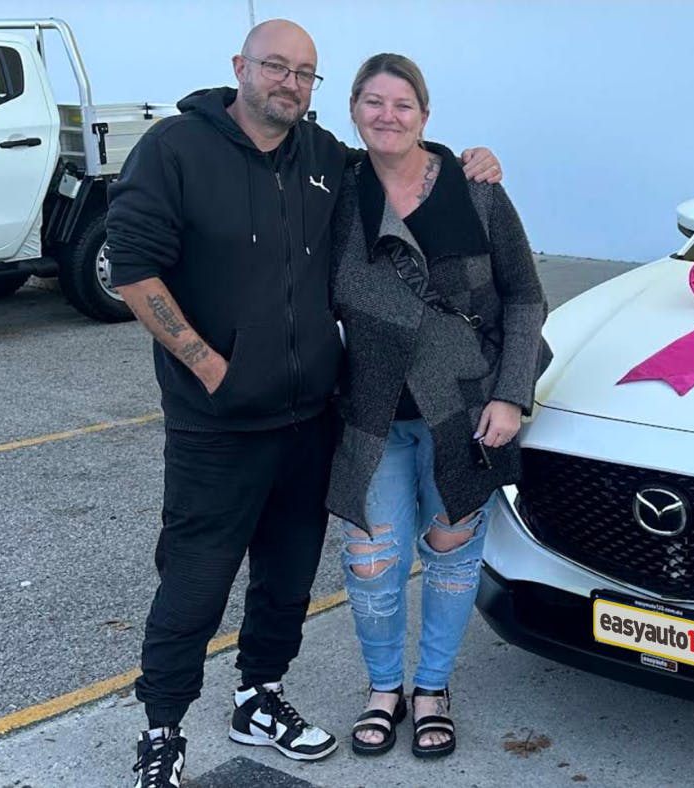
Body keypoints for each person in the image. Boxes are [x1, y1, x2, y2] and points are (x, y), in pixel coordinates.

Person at [106, 19, 502, 787]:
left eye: (304, 73)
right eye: (275, 67)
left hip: (311, 417)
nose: (288, 82)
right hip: (217, 423)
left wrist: (466, 161)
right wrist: (210, 367)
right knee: (195, 577)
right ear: (240, 68)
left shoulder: (326, 159)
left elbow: (404, 163)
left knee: (286, 576)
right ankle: (162, 727)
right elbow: (134, 271)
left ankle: (260, 697)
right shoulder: (174, 150)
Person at [327, 52, 549, 760]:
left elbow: (524, 294)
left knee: (453, 558)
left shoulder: (474, 188)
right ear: (353, 110)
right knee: (370, 560)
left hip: (467, 408)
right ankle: (383, 688)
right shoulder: (337, 189)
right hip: (371, 411)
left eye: (403, 104)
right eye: (373, 102)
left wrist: (513, 395)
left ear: (425, 115)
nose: (387, 115)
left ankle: (431, 690)